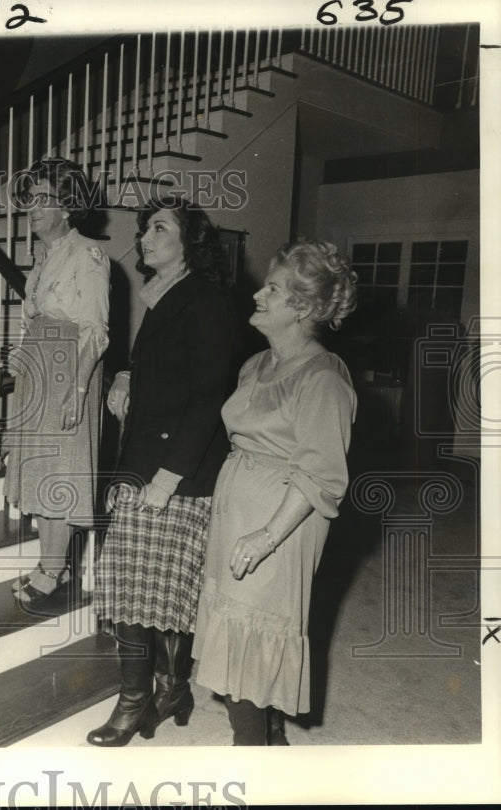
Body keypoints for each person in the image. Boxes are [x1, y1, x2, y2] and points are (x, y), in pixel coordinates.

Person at [192, 240, 357, 745]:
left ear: (302, 308)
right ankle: (271, 742)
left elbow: (321, 476)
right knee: (238, 637)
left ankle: (254, 757)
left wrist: (263, 537)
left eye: (273, 288)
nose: (259, 293)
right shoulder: (256, 365)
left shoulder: (324, 380)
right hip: (239, 519)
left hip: (278, 528)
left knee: (255, 640)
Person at [87, 196, 236, 746]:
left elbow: (207, 398)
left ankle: (135, 700)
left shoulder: (206, 302)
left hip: (176, 473)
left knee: (135, 587)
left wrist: (168, 478)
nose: (144, 238)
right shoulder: (165, 297)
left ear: (189, 243)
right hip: (147, 463)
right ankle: (171, 688)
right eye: (144, 229)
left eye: (158, 228)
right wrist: (125, 376)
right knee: (154, 589)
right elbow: (161, 371)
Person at [4, 157, 109, 605]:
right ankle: (52, 564)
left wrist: (80, 390)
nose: (32, 208)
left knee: (62, 466)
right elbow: (36, 317)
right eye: (30, 200)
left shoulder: (88, 254)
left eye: (43, 200)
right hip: (41, 365)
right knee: (41, 467)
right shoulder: (45, 255)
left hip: (71, 368)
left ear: (67, 207)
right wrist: (21, 358)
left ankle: (54, 569)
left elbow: (96, 330)